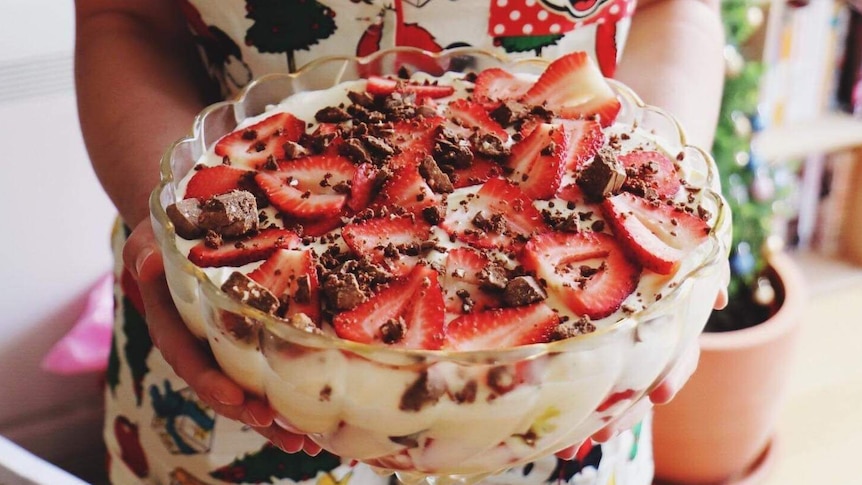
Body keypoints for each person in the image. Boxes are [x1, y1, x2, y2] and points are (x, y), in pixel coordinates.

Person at [74, 0, 726, 483]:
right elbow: (122, 17)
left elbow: (680, 10)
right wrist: (159, 220)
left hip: (579, 391)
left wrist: (657, 211)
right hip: (231, 371)